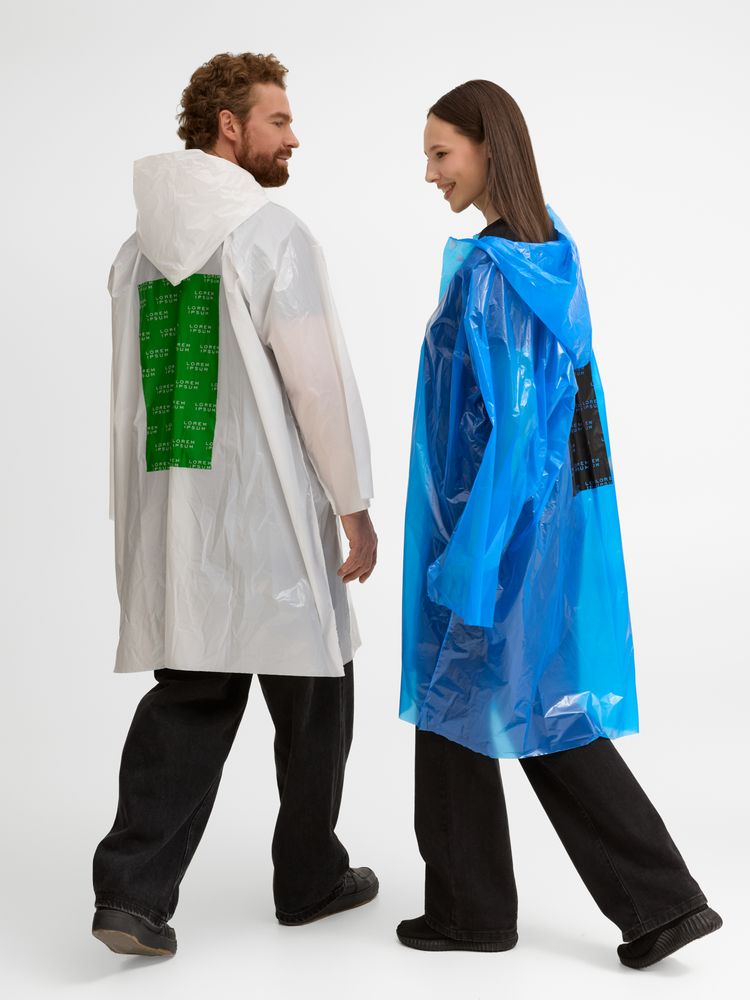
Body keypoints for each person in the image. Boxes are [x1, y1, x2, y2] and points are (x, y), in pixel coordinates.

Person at [397, 79, 722, 969]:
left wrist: (470, 557)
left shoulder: (495, 274)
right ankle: (660, 904)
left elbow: (512, 430)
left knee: (457, 698)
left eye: (441, 153)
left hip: (492, 532)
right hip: (543, 530)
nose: (429, 173)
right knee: (534, 704)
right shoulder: (550, 252)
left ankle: (472, 910)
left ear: (487, 148)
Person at [92, 52, 378, 958]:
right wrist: (353, 503)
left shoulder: (137, 250)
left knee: (190, 695)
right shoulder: (271, 235)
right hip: (273, 514)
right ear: (229, 125)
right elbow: (315, 384)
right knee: (318, 689)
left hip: (180, 516)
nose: (294, 137)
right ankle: (310, 878)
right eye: (279, 120)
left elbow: (132, 401)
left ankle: (132, 897)